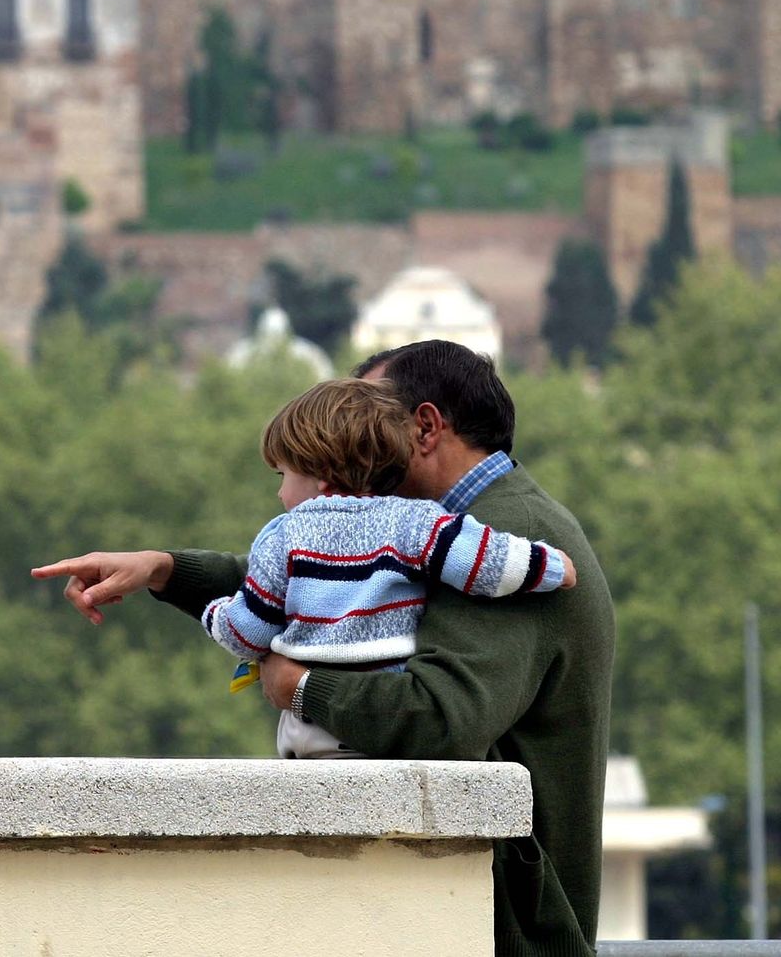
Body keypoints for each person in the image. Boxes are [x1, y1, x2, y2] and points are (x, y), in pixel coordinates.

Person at [32, 340, 614, 957]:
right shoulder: (446, 529)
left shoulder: (512, 532)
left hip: (503, 922)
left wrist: (302, 687)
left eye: (369, 418)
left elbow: (443, 718)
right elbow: (324, 587)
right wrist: (163, 570)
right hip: (458, 911)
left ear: (423, 428)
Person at [203, 376, 574, 759]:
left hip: (309, 724)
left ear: (322, 475)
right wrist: (550, 566)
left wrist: (215, 615)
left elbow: (248, 632)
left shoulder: (283, 535)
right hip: (379, 720)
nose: (281, 492)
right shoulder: (417, 521)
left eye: (284, 475)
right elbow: (486, 563)